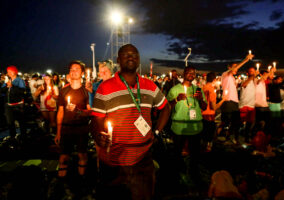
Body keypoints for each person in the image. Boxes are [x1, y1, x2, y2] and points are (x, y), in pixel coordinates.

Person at [91, 44, 170, 200]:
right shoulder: (105, 88)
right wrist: (98, 135)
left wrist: (156, 131)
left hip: (143, 158)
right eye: (126, 55)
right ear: (118, 60)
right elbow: (96, 120)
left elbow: (165, 107)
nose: (131, 57)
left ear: (139, 60)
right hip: (114, 159)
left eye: (134, 55)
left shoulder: (149, 85)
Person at [166, 66, 207, 181]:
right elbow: (167, 107)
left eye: (193, 73)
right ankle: (178, 174)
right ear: (184, 74)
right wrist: (176, 100)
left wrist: (200, 100)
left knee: (195, 154)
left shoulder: (198, 89)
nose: (191, 75)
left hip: (195, 127)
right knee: (177, 153)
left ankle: (194, 173)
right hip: (179, 127)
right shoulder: (175, 89)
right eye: (189, 72)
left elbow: (204, 107)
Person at [54, 60, 91, 178]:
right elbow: (60, 112)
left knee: (82, 155)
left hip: (82, 128)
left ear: (82, 73)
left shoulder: (87, 91)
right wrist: (58, 132)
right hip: (66, 128)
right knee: (63, 157)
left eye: (77, 69)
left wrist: (78, 111)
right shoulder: (63, 91)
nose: (73, 71)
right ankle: (61, 183)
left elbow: (90, 112)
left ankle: (81, 181)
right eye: (71, 69)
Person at [221, 53, 253, 143]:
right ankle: (221, 138)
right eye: (235, 67)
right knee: (226, 123)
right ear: (229, 68)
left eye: (237, 67)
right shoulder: (225, 74)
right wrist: (245, 60)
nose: (237, 68)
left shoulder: (233, 78)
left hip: (234, 102)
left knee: (237, 123)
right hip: (228, 102)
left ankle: (232, 138)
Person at [202, 72, 227, 151]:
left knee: (203, 136)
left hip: (201, 115)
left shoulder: (202, 88)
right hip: (209, 116)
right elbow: (214, 107)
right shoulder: (211, 90)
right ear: (214, 80)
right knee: (209, 136)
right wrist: (223, 100)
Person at [1, 66, 26, 141]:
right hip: (8, 105)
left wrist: (12, 86)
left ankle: (23, 137)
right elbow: (2, 90)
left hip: (18, 105)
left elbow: (22, 92)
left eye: (8, 71)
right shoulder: (8, 80)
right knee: (10, 122)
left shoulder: (19, 80)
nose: (7, 73)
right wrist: (6, 86)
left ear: (14, 72)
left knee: (21, 121)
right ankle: (13, 137)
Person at [239, 66, 257, 142]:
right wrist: (252, 77)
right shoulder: (245, 81)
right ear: (247, 73)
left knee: (249, 124)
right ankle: (236, 137)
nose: (252, 73)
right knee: (240, 123)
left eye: (253, 71)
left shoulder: (254, 82)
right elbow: (243, 85)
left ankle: (246, 138)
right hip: (244, 105)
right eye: (251, 71)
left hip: (251, 105)